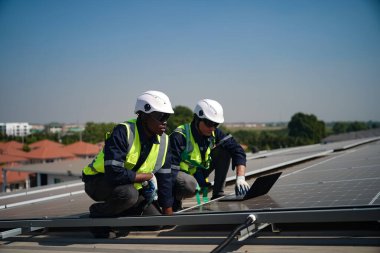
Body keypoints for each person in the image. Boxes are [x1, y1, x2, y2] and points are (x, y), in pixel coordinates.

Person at [82, 90, 174, 238]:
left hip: (131, 185)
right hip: (99, 182)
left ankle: (122, 209)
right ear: (144, 115)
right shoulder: (124, 132)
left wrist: (168, 210)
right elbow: (114, 174)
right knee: (128, 195)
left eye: (167, 116)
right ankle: (98, 215)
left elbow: (165, 178)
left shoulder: (164, 141)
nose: (164, 121)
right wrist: (147, 176)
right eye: (160, 116)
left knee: (156, 222)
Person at [170, 99, 250, 211]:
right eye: (209, 123)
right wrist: (168, 203)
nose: (212, 128)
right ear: (197, 119)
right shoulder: (180, 136)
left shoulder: (214, 133)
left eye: (215, 124)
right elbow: (170, 171)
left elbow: (237, 150)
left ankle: (218, 194)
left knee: (225, 151)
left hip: (198, 173)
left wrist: (240, 177)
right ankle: (176, 200)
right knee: (189, 185)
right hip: (180, 176)